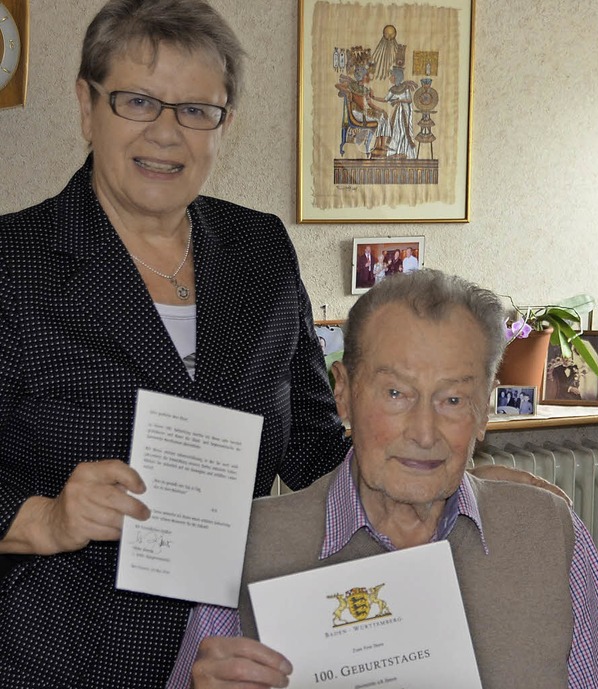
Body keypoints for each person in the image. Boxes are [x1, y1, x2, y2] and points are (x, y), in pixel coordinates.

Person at [0, 1, 350, 687]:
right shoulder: (15, 262)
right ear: (86, 106)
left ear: (223, 125)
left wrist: (439, 477)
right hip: (57, 657)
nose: (167, 133)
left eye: (196, 110)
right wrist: (43, 518)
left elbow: (313, 443)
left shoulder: (261, 251)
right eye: (138, 101)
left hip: (232, 650)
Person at [169, 270, 598, 689]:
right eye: (396, 393)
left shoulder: (547, 532)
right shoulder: (245, 545)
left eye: (453, 399)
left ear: (486, 411)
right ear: (344, 394)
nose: (423, 432)